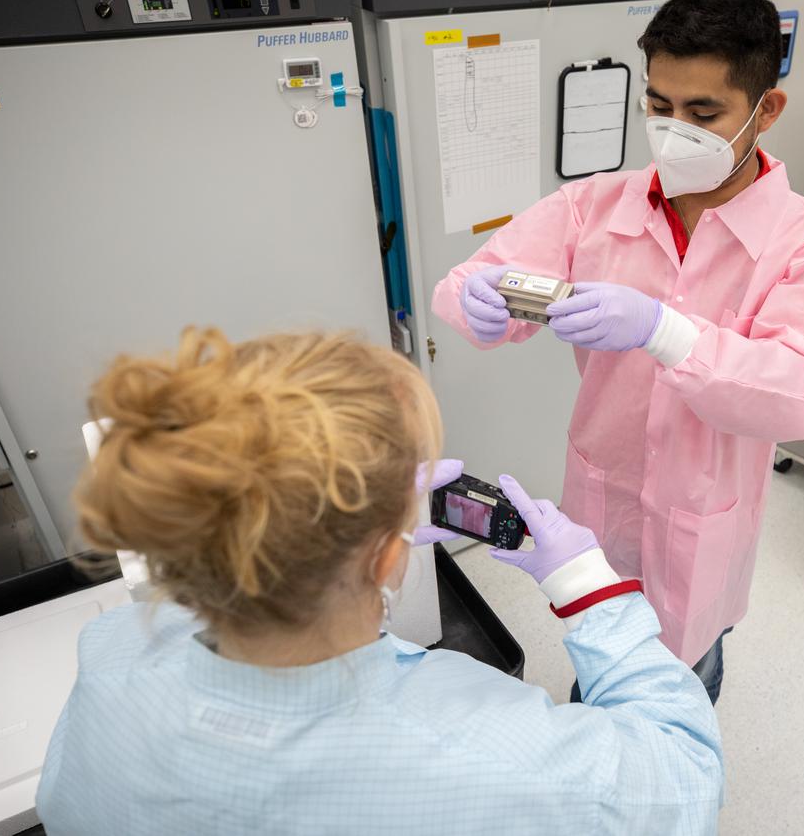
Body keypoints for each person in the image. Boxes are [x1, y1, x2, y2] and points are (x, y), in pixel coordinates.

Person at [35, 328, 722, 835]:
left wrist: (367, 517)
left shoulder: (110, 653)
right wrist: (587, 585)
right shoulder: (496, 752)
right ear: (387, 560)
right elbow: (687, 776)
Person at [432, 0, 804, 703]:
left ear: (766, 110)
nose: (672, 130)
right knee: (599, 653)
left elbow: (793, 394)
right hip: (605, 498)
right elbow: (472, 288)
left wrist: (667, 332)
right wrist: (477, 296)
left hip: (703, 514)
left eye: (702, 112)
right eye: (658, 105)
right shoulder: (594, 204)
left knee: (682, 679)